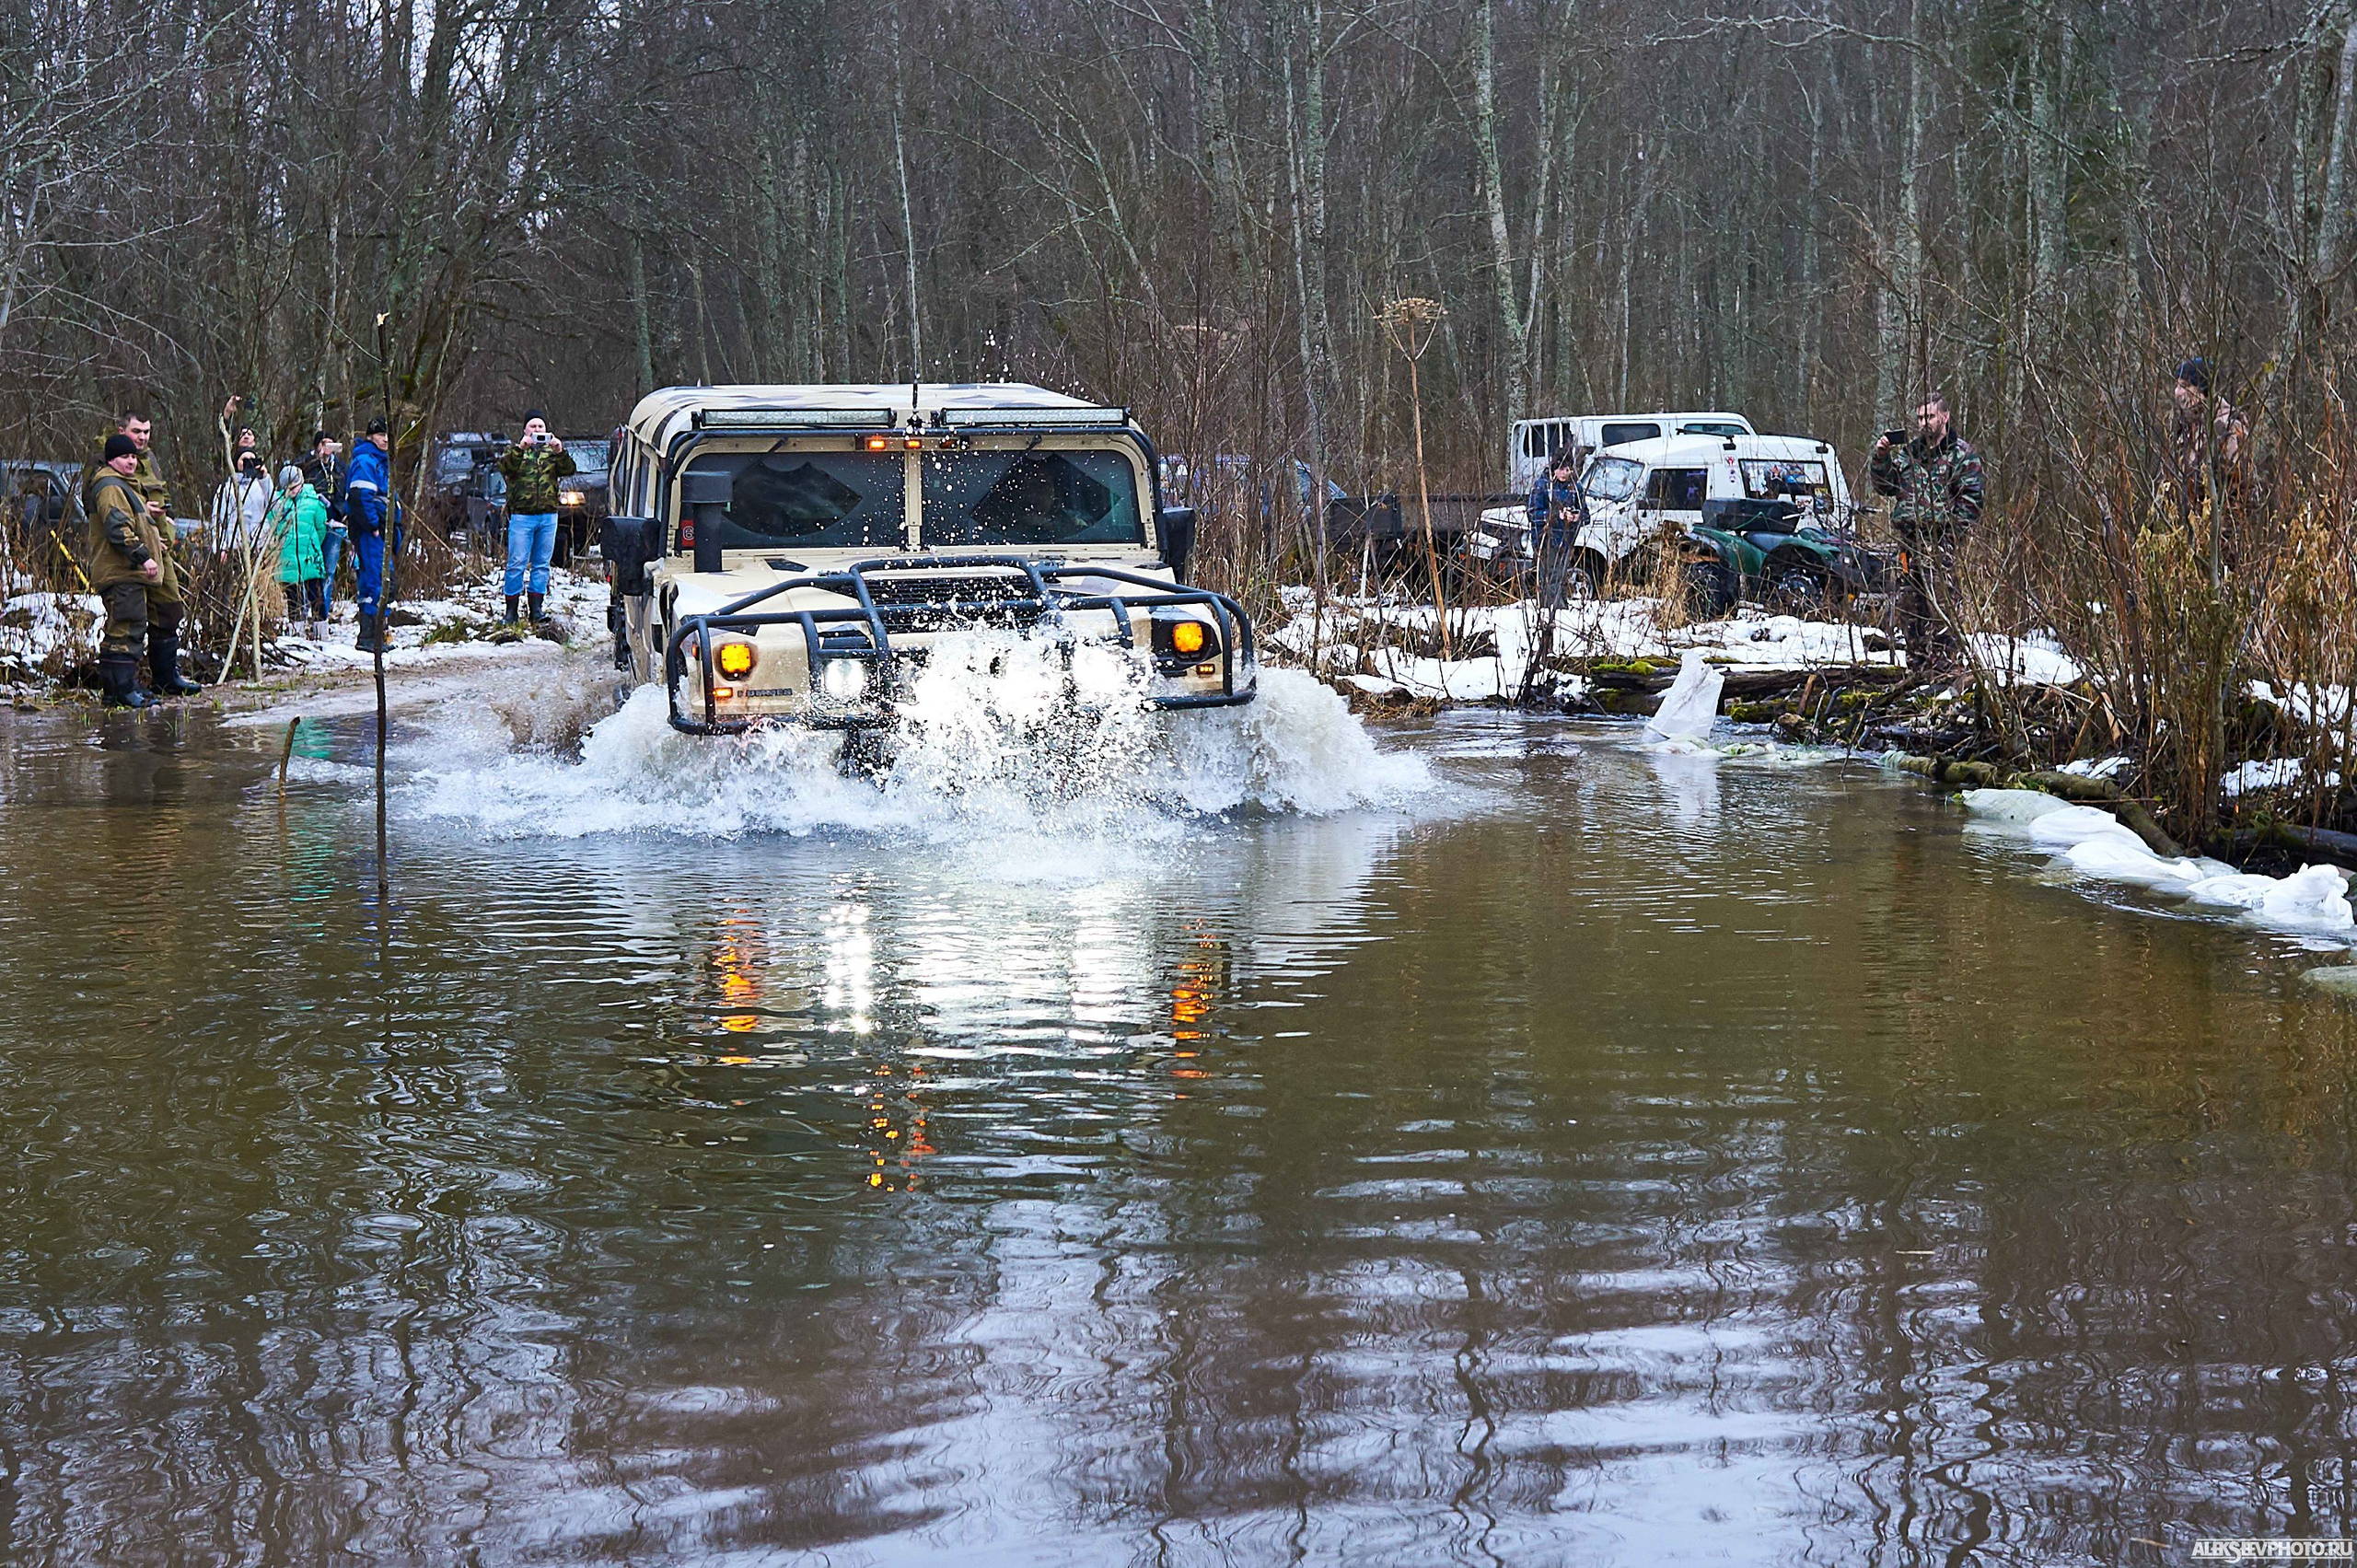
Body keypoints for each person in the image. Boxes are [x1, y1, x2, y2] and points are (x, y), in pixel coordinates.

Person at [82, 412, 201, 698]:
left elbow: (155, 507)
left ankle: (159, 680)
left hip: (152, 555)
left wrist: (161, 524)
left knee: (164, 613)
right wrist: (142, 552)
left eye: (147, 431)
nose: (142, 438)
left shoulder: (145, 467)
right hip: (126, 565)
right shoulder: (107, 478)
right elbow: (115, 523)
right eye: (137, 430)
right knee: (127, 624)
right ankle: (120, 690)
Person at [1870, 392, 1982, 675]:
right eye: (1920, 417)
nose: (1924, 423)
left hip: (1940, 540)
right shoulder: (1910, 453)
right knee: (1909, 603)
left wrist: (1952, 533)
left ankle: (1944, 668)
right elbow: (1886, 486)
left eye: (1929, 417)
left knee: (1942, 605)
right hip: (1908, 541)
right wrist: (1881, 458)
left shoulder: (1961, 455)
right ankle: (1917, 667)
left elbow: (1972, 499)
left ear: (1943, 417)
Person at [495, 410, 575, 624]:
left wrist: (560, 451)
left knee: (542, 564)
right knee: (516, 563)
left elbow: (569, 470)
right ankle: (510, 612)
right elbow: (504, 467)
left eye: (541, 426)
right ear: (525, 430)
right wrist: (521, 448)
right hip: (522, 517)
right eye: (533, 426)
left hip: (548, 516)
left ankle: (536, 610)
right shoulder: (516, 452)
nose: (537, 430)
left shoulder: (552, 452)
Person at [2165, 356, 2253, 519]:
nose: (2177, 392)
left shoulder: (2229, 427)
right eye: (2177, 386)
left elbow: (2236, 491)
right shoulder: (2186, 428)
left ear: (2204, 390)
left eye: (2185, 386)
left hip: (2220, 532)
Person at [343, 416, 394, 652]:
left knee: (377, 581)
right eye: (381, 435)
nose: (385, 439)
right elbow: (360, 497)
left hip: (380, 531)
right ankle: (371, 638)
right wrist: (373, 525)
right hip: (371, 532)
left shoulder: (380, 462)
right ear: (371, 436)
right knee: (376, 581)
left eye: (387, 435)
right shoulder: (366, 461)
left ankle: (373, 634)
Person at [267, 464, 330, 638]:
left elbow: (321, 528)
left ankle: (321, 632)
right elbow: (273, 527)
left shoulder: (313, 502)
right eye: (288, 489)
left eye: (294, 487)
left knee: (316, 596)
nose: (292, 491)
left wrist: (313, 545)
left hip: (310, 557)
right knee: (293, 598)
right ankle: (296, 631)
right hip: (287, 559)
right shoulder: (277, 504)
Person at [1525, 449, 1587, 605]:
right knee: (1550, 576)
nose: (1564, 473)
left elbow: (1586, 514)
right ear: (1554, 468)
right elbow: (1533, 514)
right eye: (1560, 469)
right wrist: (1554, 516)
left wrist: (1576, 516)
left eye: (1567, 469)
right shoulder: (1542, 486)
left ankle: (1559, 606)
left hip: (1566, 539)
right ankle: (1551, 608)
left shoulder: (1575, 488)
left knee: (1561, 575)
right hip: (1545, 539)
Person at [300, 431, 347, 612]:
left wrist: (342, 511)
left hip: (334, 522)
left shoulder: (341, 468)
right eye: (323, 443)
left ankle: (323, 611)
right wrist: (316, 459)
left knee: (329, 568)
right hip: (311, 523)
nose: (327, 447)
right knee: (308, 567)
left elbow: (346, 490)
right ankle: (303, 610)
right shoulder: (308, 463)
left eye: (330, 443)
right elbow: (297, 475)